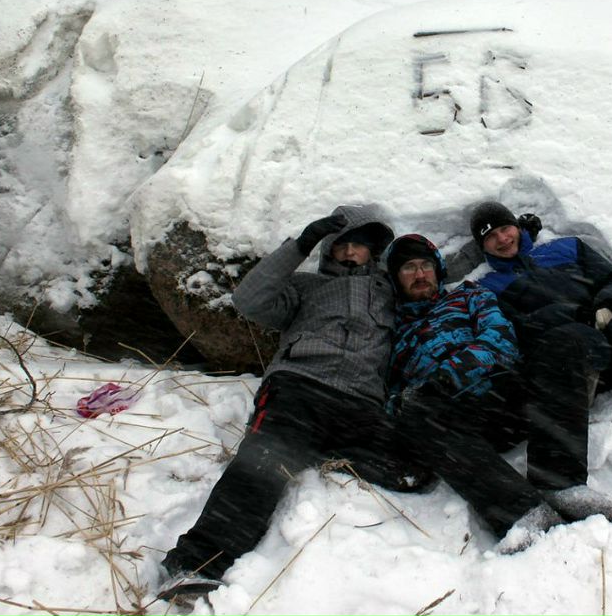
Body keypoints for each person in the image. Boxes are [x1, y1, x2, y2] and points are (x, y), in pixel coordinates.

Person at [158, 205, 425, 604]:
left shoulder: (390, 293)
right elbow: (248, 300)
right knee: (262, 466)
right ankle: (195, 565)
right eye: (342, 245)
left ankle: (314, 445)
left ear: (373, 252)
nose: (350, 252)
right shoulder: (304, 287)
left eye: (359, 245)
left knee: (414, 471)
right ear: (328, 250)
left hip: (361, 404)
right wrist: (301, 244)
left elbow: (432, 273)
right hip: (299, 387)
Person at [385, 234, 612, 554]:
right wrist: (413, 398)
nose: (419, 274)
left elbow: (499, 337)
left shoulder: (468, 295)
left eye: (425, 265)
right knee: (415, 411)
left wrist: (452, 372)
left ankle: (562, 484)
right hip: (460, 424)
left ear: (437, 271)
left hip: (506, 391)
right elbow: (394, 395)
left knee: (560, 344)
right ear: (396, 279)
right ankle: (522, 512)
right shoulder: (395, 334)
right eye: (408, 268)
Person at [458, 201, 612, 422]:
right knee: (581, 339)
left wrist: (608, 305)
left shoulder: (567, 247)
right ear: (482, 246)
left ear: (516, 227)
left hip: (607, 334)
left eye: (504, 229)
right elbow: (516, 327)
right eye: (491, 236)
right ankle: (579, 422)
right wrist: (573, 314)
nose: (502, 238)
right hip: (563, 360)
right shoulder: (488, 286)